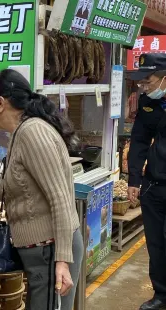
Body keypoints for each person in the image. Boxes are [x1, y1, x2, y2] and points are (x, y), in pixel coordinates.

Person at [0, 69, 83, 310]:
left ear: (1, 103)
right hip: (42, 251)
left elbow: (60, 199)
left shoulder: (33, 133)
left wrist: (62, 260)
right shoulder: (20, 133)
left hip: (51, 249)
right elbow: (12, 182)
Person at [127, 53, 166, 310]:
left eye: (148, 81)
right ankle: (161, 295)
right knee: (156, 244)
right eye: (140, 82)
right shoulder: (147, 102)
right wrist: (134, 179)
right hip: (154, 186)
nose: (144, 86)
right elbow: (140, 139)